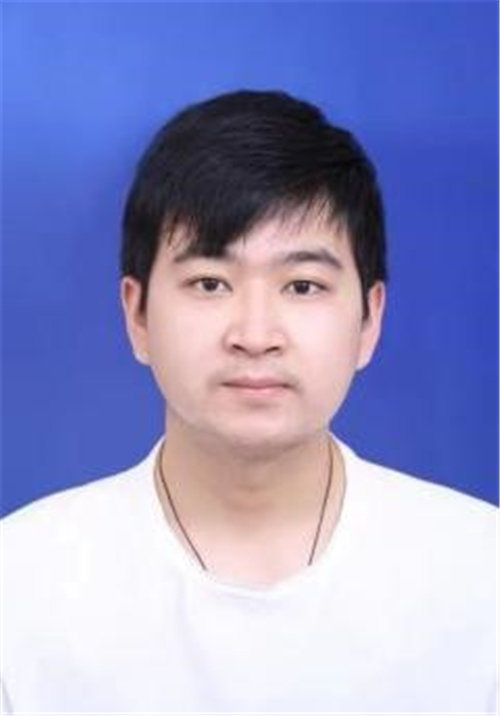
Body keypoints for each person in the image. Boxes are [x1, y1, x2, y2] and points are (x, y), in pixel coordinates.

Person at [1, 90, 496, 715]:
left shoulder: (479, 575)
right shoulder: (21, 585)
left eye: (303, 286)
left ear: (370, 320)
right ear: (137, 315)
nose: (256, 335)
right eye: (210, 283)